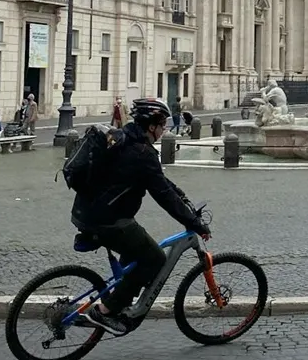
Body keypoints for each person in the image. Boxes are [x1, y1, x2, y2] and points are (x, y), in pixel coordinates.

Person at [72, 97, 207, 336]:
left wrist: (179, 192)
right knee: (154, 259)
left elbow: (159, 181)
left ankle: (120, 298)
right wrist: (194, 223)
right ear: (151, 125)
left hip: (85, 211)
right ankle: (105, 311)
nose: (164, 128)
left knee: (135, 251)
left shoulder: (122, 138)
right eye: (162, 123)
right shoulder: (143, 153)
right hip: (109, 220)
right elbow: (163, 196)